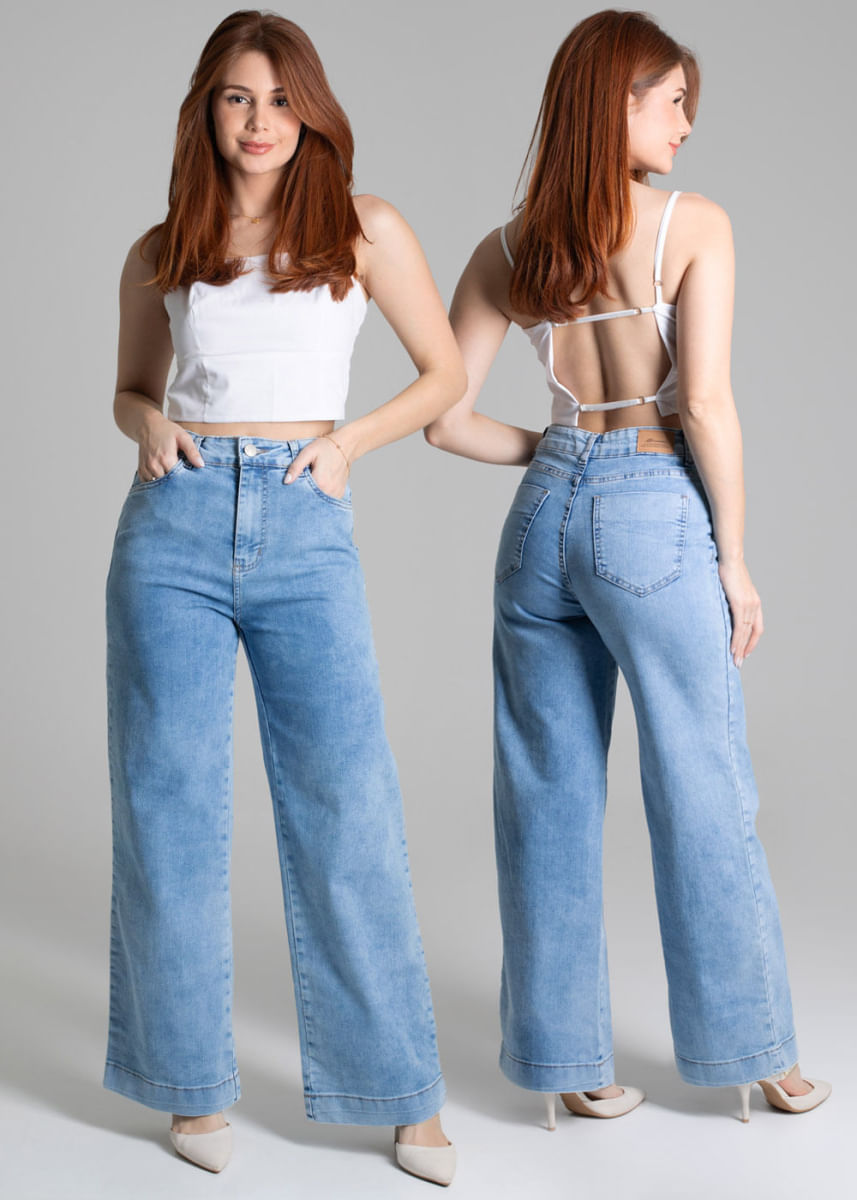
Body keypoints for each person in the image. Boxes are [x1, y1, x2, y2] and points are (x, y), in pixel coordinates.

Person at [426, 9, 830, 1129]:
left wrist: (560, 453)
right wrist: (733, 559)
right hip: (652, 512)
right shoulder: (689, 224)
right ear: (617, 101)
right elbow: (702, 402)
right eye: (671, 100)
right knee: (701, 780)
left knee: (542, 794)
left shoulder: (506, 249)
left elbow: (445, 420)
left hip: (539, 519)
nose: (686, 124)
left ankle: (568, 1066)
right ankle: (756, 1055)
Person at [104, 10, 463, 1186]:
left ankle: (401, 1094)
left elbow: (443, 373)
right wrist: (149, 424)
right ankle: (187, 1082)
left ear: (311, 111)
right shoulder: (163, 245)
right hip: (173, 524)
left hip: (303, 518)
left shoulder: (362, 227)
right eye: (235, 98)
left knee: (346, 804)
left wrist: (348, 443)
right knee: (167, 806)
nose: (257, 121)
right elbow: (129, 389)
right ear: (204, 111)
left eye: (277, 99)